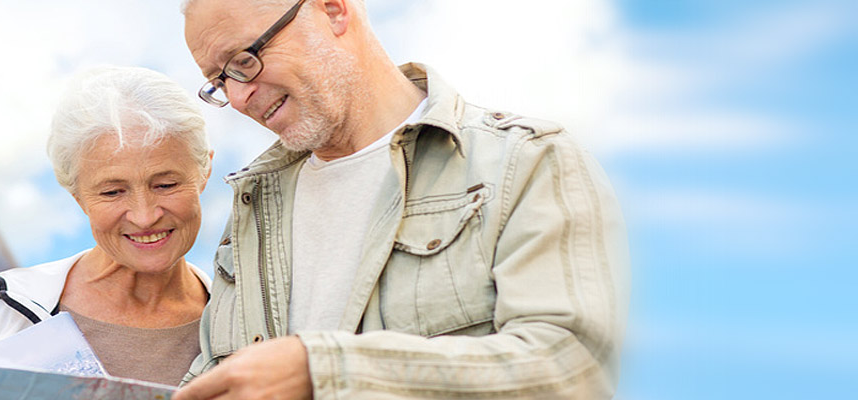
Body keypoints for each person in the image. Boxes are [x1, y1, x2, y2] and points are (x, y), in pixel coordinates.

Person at [175, 0, 629, 398]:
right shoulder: (254, 204)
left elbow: (570, 369)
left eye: (243, 61)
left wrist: (326, 371)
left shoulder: (526, 160)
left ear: (332, 9)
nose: (237, 97)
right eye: (219, 81)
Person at [0, 66, 214, 399]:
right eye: (112, 192)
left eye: (166, 185)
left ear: (205, 172)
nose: (144, 216)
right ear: (77, 196)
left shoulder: (247, 323)